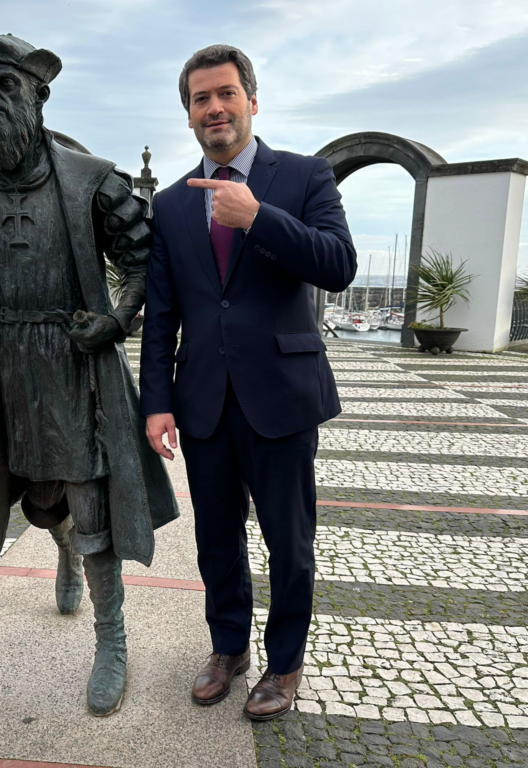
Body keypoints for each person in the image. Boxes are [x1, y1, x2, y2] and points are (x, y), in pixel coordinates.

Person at [0, 34, 178, 717]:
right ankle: (62, 550)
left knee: (90, 499)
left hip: (74, 366)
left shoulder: (92, 180)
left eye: (7, 86)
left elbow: (142, 261)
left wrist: (115, 320)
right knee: (36, 492)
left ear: (39, 95)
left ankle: (111, 639)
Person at [139, 44, 357, 721]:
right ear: (188, 115)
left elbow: (339, 265)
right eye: (200, 99)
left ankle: (284, 663)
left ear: (252, 102)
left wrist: (258, 216)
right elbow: (162, 313)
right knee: (216, 541)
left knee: (289, 542)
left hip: (281, 395)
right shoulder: (171, 204)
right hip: (204, 399)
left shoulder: (305, 176)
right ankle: (227, 647)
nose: (214, 108)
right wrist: (156, 402)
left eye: (225, 93)